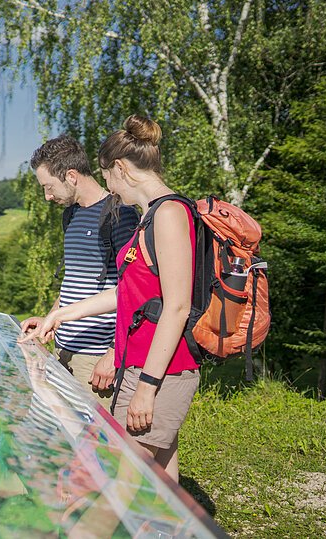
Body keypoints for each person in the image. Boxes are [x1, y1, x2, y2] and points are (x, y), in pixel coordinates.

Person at [21, 116, 199, 482]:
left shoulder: (164, 213)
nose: (110, 187)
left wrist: (143, 385)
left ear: (120, 168)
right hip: (138, 360)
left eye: (108, 177)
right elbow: (127, 292)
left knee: (115, 479)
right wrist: (60, 315)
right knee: (158, 477)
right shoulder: (151, 215)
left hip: (155, 367)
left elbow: (177, 307)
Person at [20, 136, 139, 407]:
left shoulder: (120, 215)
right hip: (62, 351)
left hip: (96, 360)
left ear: (71, 176)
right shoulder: (70, 215)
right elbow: (74, 281)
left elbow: (133, 291)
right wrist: (50, 318)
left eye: (48, 187)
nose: (47, 196)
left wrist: (113, 354)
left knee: (95, 444)